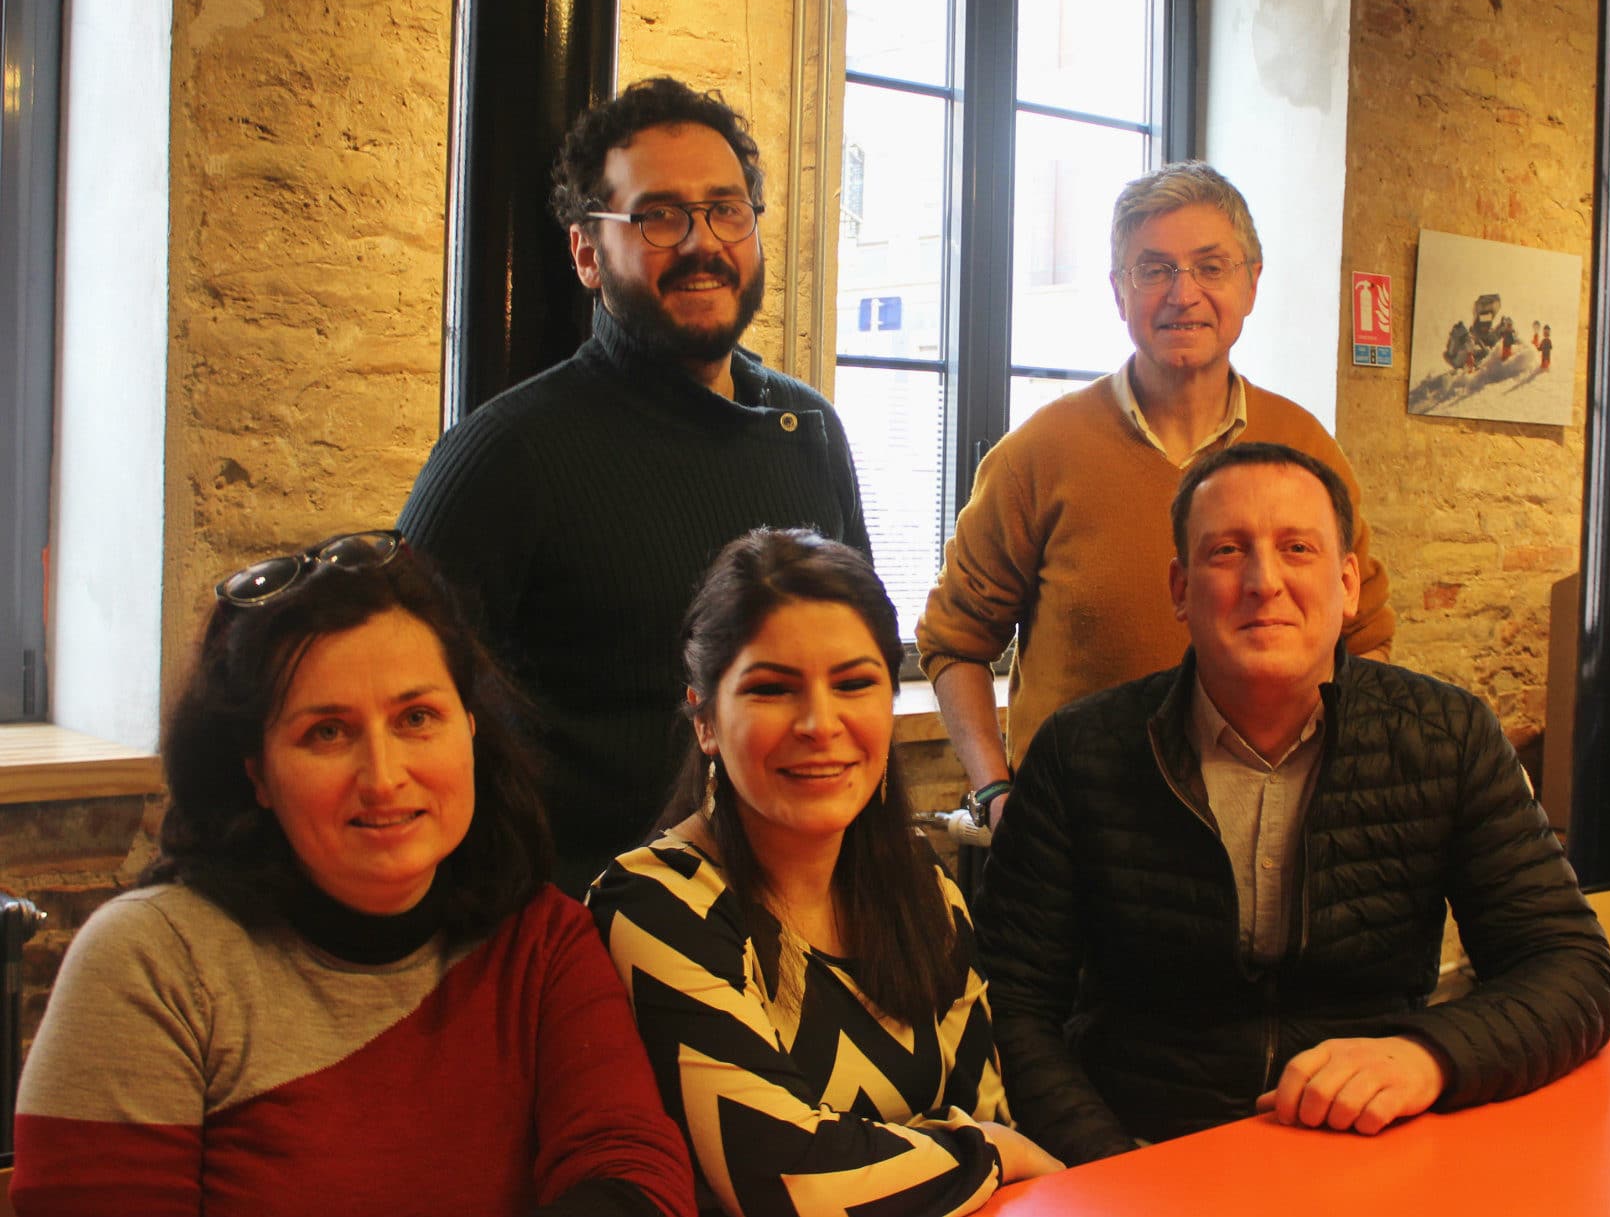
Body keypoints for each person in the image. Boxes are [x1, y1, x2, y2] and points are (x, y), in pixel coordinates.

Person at [9, 531, 696, 1217]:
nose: (384, 776)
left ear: (471, 726)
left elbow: (635, 1175)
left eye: (416, 717)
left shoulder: (542, 942)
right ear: (258, 773)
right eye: (327, 732)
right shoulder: (149, 964)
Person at [974, 443, 1610, 1165]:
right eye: (1226, 551)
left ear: (1348, 584)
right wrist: (1107, 1164)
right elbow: (1011, 1002)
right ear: (1181, 589)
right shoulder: (1081, 752)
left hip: (1374, 1149)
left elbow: (1572, 966)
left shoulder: (1447, 737)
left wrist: (1425, 1056)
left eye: (1297, 548)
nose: (1264, 581)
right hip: (1143, 1148)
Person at [400, 77, 869, 892]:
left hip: (792, 917)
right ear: (588, 252)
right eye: (659, 216)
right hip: (584, 943)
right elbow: (402, 711)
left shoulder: (811, 432)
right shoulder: (507, 455)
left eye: (727, 210)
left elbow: (855, 670)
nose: (702, 243)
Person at [587, 529, 1061, 1217]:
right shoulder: (653, 905)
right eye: (773, 688)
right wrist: (986, 1154)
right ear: (706, 721)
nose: (820, 721)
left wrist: (977, 1151)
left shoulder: (923, 885)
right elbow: (786, 1183)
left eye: (853, 682)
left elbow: (988, 1110)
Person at [916, 162, 1393, 828]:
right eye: (1154, 269)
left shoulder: (1305, 448)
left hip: (1267, 836)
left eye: (1210, 266)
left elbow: (1365, 634)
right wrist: (995, 790)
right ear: (1119, 291)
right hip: (1079, 836)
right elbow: (954, 641)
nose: (1183, 294)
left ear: (1252, 283)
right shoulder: (1037, 455)